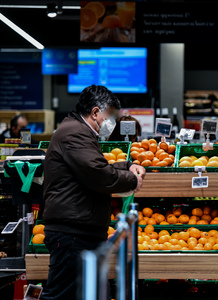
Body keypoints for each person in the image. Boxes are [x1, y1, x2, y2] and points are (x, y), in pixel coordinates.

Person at [41, 85, 146, 300]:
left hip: (79, 230)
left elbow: (94, 168)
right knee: (62, 295)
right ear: (96, 112)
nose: (112, 122)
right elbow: (98, 174)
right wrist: (132, 179)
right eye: (110, 116)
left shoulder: (79, 131)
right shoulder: (75, 133)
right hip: (72, 233)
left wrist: (126, 166)